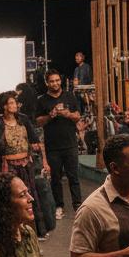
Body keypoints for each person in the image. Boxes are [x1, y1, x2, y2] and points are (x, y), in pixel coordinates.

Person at [0, 92, 49, 237]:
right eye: (11, 103)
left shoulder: (23, 120)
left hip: (26, 165)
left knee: (30, 195)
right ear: (4, 106)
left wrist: (43, 160)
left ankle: (35, 230)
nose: (15, 105)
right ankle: (12, 231)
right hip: (9, 166)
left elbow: (36, 140)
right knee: (11, 198)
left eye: (15, 102)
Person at [36, 70, 82, 219]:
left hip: (70, 144)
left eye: (57, 80)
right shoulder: (42, 100)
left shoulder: (69, 96)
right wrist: (50, 115)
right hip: (52, 146)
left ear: (60, 81)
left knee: (74, 177)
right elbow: (38, 121)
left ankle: (78, 206)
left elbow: (78, 116)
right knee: (55, 179)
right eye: (52, 81)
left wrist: (68, 114)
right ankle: (59, 206)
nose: (55, 83)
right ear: (47, 83)